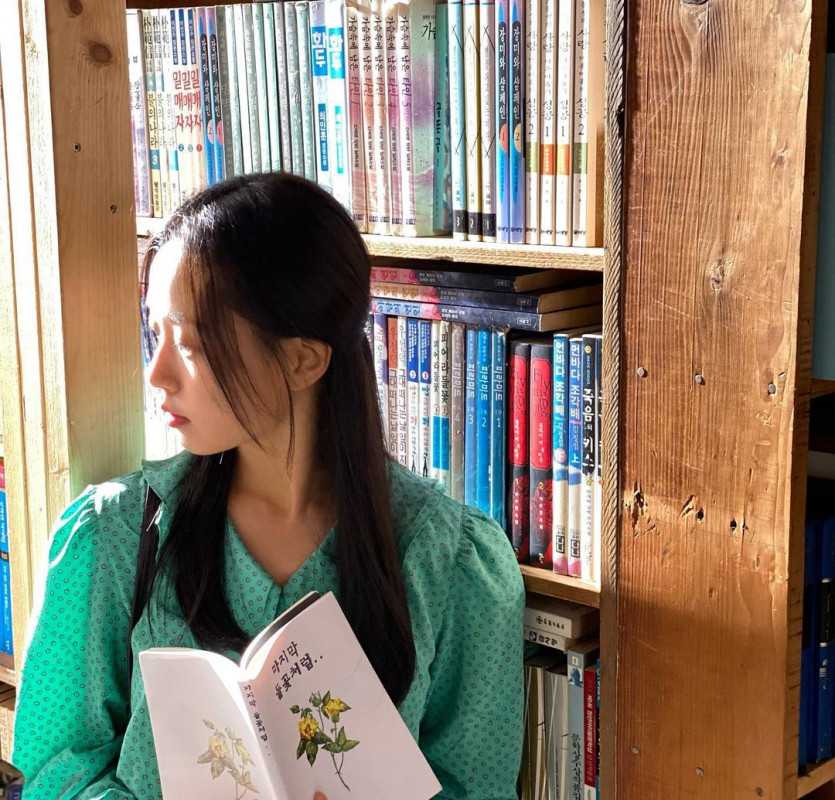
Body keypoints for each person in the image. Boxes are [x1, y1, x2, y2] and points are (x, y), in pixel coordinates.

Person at [10, 173, 524, 799]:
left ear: (302, 359)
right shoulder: (113, 535)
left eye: (190, 344)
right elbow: (55, 772)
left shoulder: (452, 562)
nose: (157, 373)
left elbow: (475, 785)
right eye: (154, 332)